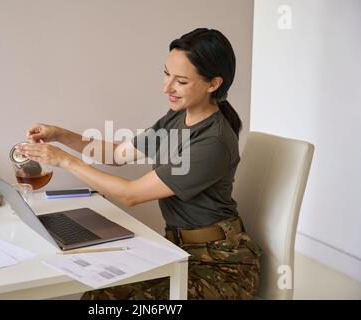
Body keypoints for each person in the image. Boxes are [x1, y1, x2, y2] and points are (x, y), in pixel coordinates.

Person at [16, 28, 262, 300]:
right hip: (179, 251)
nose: (166, 87)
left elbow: (130, 195)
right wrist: (61, 135)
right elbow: (118, 155)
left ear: (213, 84)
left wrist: (64, 160)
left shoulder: (212, 142)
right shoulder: (176, 118)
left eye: (180, 81)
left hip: (221, 266)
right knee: (100, 292)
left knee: (111, 301)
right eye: (166, 74)